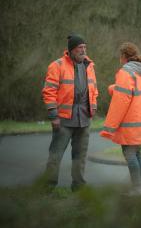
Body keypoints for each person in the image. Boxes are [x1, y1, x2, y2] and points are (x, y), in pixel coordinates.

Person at [41, 33, 98, 191]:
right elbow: (49, 91)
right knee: (55, 155)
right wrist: (53, 116)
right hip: (64, 120)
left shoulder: (90, 66)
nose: (83, 50)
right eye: (80, 47)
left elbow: (94, 90)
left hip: (85, 119)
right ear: (71, 50)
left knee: (80, 157)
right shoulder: (57, 65)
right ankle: (47, 187)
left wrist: (93, 106)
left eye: (85, 47)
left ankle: (78, 187)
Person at [100, 42, 141, 195]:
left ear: (123, 56)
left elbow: (121, 101)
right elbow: (134, 93)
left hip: (131, 122)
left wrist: (109, 127)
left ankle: (137, 189)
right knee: (137, 154)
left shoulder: (126, 73)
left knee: (130, 155)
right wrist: (114, 89)